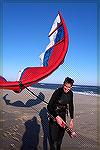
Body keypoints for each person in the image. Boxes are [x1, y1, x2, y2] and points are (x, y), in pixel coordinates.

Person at [47, 77, 74, 150]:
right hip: (54, 117)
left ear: (71, 87)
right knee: (54, 141)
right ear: (63, 84)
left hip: (63, 117)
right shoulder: (58, 92)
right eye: (65, 86)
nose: (67, 88)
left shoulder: (71, 93)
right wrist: (56, 117)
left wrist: (72, 119)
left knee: (59, 141)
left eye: (69, 87)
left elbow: (71, 106)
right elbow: (49, 106)